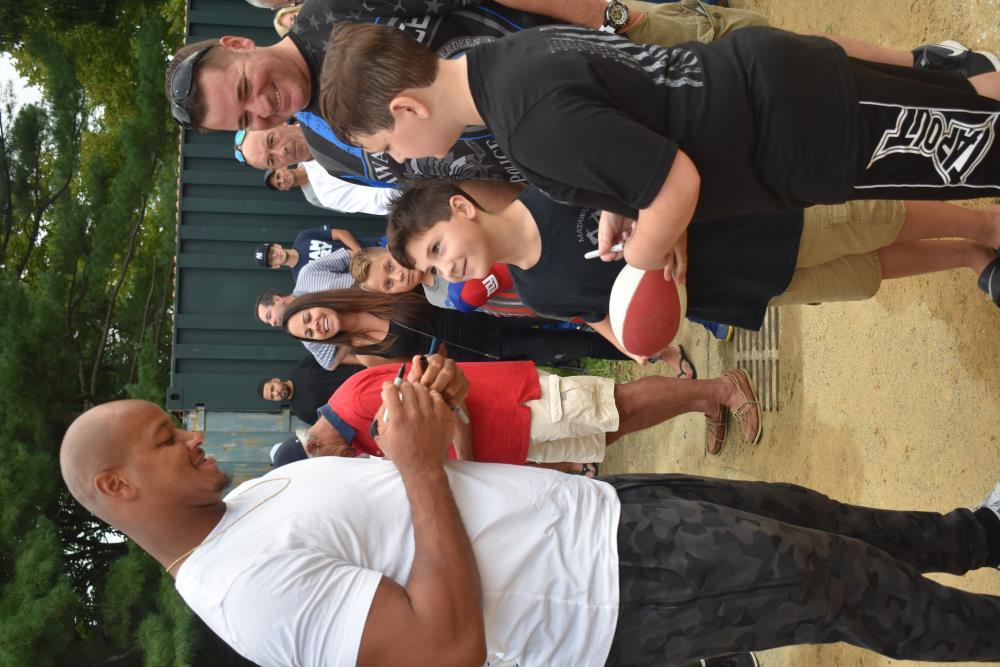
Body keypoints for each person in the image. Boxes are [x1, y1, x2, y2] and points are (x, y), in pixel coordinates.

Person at [59, 396, 1000, 666]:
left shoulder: (255, 500)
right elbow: (445, 646)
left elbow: (426, 508)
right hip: (612, 595)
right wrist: (421, 464)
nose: (190, 436)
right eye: (164, 439)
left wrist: (433, 427)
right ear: (116, 484)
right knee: (838, 581)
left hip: (605, 518)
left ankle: (980, 533)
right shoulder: (242, 589)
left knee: (813, 516)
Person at [319, 23, 1000, 290]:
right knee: (967, 98)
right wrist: (620, 201)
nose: (403, 164)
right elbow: (624, 109)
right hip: (777, 79)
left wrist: (642, 257)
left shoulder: (523, 125)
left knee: (975, 147)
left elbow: (676, 181)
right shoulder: (499, 61)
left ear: (405, 108)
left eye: (387, 148)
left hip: (793, 130)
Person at [164, 0, 971, 186]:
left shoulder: (337, 9)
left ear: (238, 44)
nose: (263, 107)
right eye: (244, 117)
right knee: (796, 138)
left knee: (757, 53)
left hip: (592, 54)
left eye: (245, 87)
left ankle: (927, 68)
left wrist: (609, 14)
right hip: (584, 143)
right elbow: (461, 184)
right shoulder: (336, 154)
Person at [387, 183, 1000, 341]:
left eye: (437, 250)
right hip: (741, 289)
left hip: (752, 224)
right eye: (434, 270)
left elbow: (651, 170)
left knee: (872, 221)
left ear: (462, 208)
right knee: (865, 273)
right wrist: (643, 336)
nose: (448, 270)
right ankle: (971, 256)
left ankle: (984, 225)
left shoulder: (555, 186)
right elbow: (615, 329)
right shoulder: (539, 295)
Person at [307, 353, 760, 464]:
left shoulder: (355, 402)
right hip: (512, 441)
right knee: (609, 432)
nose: (342, 464)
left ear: (313, 443)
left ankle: (723, 387)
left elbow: (445, 405)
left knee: (617, 403)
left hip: (515, 405)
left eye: (327, 461)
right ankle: (700, 401)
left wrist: (464, 459)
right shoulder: (352, 437)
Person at [350, 244, 702, 376]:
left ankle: (690, 305)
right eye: (390, 283)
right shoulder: (433, 298)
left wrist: (484, 281)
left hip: (546, 277)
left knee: (620, 292)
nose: (399, 275)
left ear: (389, 250)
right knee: (597, 326)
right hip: (534, 307)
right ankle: (661, 351)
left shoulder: (439, 248)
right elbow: (484, 306)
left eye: (390, 266)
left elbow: (496, 261)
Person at [281, 288, 635, 366]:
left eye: (309, 318)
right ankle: (642, 352)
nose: (317, 326)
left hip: (493, 309)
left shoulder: (373, 289)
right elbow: (421, 371)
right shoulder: (366, 354)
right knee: (583, 348)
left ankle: (635, 312)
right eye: (309, 333)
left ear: (316, 303)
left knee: (574, 309)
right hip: (492, 352)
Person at [233, 122, 397, 213]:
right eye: (271, 159)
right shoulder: (326, 193)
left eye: (271, 140)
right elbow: (384, 200)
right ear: (279, 166)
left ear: (278, 123)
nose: (281, 151)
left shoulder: (320, 106)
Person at [254, 225, 385, 281]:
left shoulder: (303, 237)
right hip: (370, 276)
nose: (275, 255)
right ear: (275, 266)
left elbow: (341, 233)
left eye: (272, 251)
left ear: (276, 245)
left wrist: (359, 254)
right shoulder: (301, 278)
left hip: (376, 247)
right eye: (271, 259)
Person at [259, 355, 364, 424]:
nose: (276, 393)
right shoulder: (301, 412)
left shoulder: (301, 367)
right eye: (272, 396)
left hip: (362, 372)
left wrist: (361, 361)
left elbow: (334, 358)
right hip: (361, 400)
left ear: (276, 380)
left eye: (273, 388)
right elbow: (332, 423)